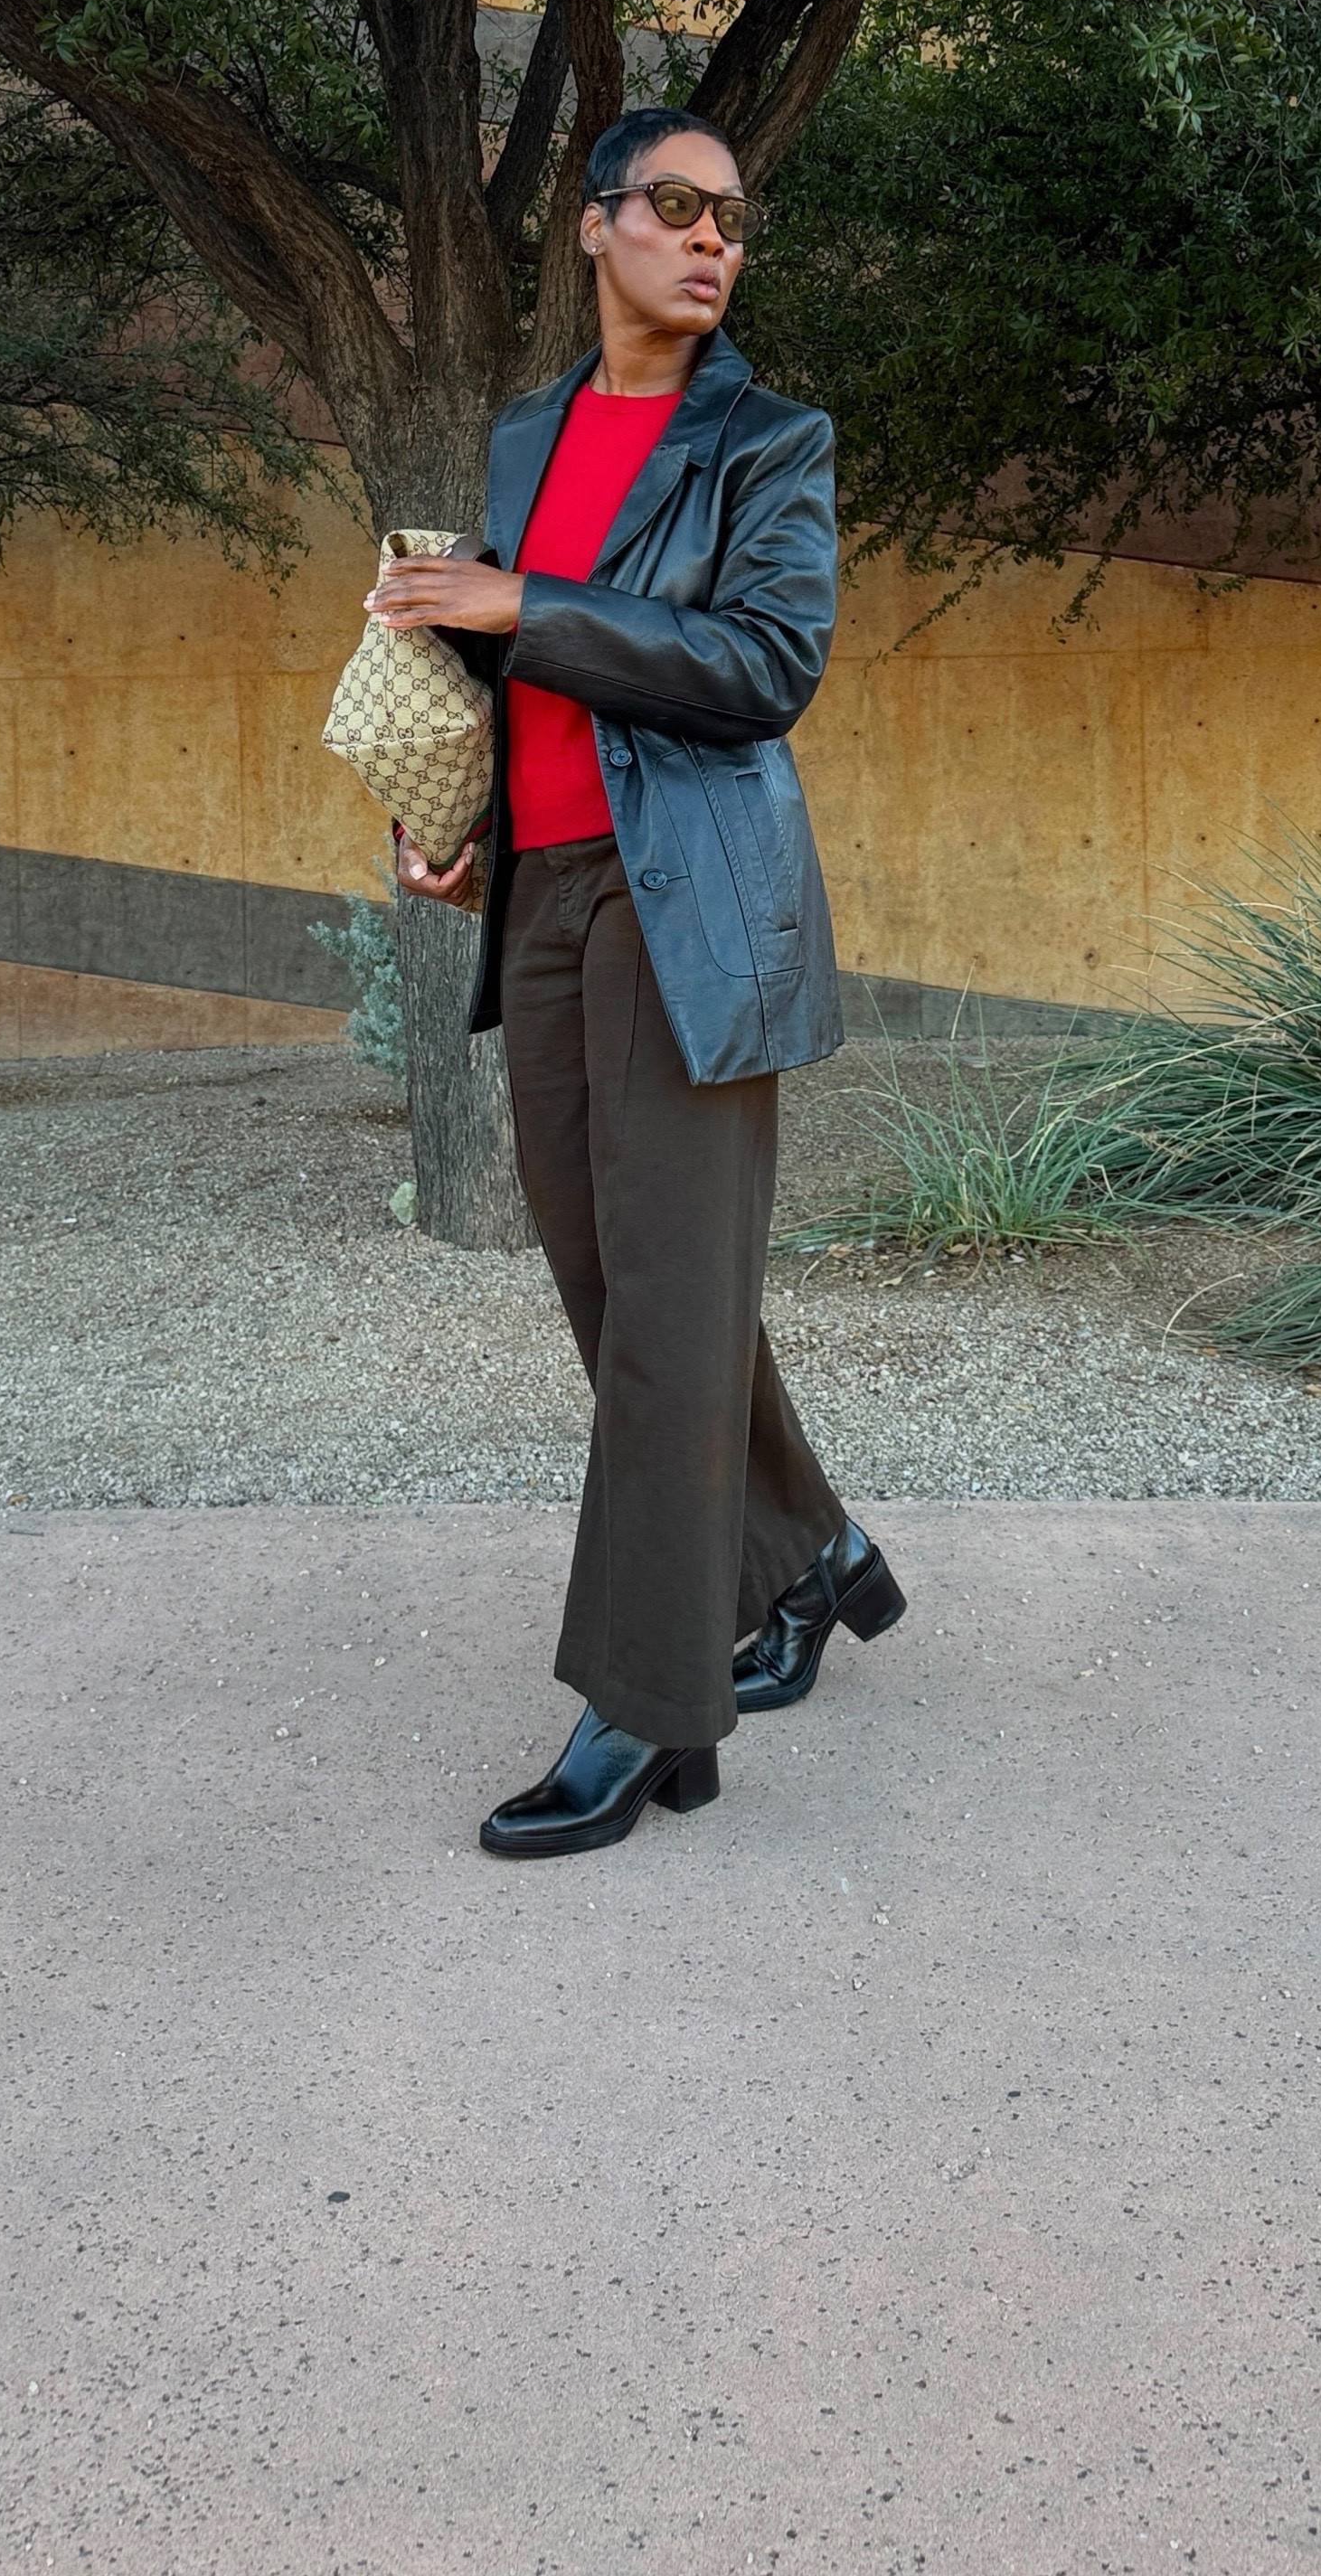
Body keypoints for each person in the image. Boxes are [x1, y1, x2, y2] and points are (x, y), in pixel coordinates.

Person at [368, 107, 907, 1858]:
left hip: (688, 909)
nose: (710, 238)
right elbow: (505, 672)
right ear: (595, 227)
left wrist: (522, 598)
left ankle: (647, 1708)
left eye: (732, 217)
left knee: (670, 1315)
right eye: (675, 205)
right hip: (538, 896)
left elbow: (762, 663)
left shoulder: (770, 440)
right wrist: (453, 824)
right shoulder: (531, 433)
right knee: (623, 1290)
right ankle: (804, 1555)